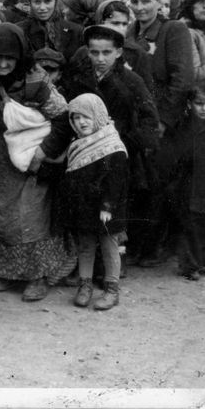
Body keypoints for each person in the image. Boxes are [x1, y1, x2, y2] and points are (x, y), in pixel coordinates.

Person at [0, 23, 73, 301]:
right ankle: (4, 273)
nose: (3, 63)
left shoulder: (37, 81)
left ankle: (38, 276)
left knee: (30, 216)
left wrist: (41, 153)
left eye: (10, 57)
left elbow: (63, 119)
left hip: (30, 154)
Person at [126, 0, 194, 266]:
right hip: (138, 118)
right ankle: (140, 244)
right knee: (140, 181)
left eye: (146, 1)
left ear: (158, 3)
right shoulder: (129, 31)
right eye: (136, 1)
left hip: (166, 120)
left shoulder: (172, 30)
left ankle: (157, 247)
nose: (140, 7)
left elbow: (183, 79)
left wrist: (164, 121)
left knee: (160, 182)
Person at [63, 93, 129, 310]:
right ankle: (85, 285)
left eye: (86, 117)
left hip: (106, 209)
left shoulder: (112, 144)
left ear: (98, 116)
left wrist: (107, 206)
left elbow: (116, 180)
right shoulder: (78, 144)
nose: (80, 123)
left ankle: (112, 289)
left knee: (109, 245)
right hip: (84, 206)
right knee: (86, 246)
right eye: (75, 118)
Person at [168, 82, 205, 280]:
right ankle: (191, 265)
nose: (204, 109)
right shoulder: (184, 125)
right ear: (190, 103)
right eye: (199, 103)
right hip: (189, 181)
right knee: (191, 224)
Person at [17, 0, 83, 62]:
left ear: (56, 1)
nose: (42, 7)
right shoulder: (20, 31)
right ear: (30, 3)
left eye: (47, 1)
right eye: (37, 2)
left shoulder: (75, 31)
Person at [179, 0, 205, 83]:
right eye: (200, 2)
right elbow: (194, 73)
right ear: (190, 5)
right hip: (201, 92)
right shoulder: (186, 32)